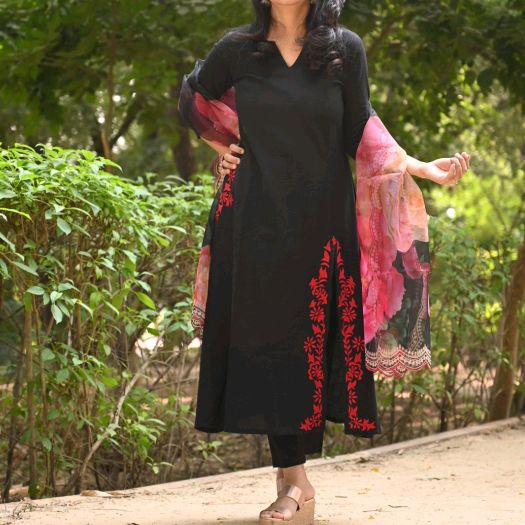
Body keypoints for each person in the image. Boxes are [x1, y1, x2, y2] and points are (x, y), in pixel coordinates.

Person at [177, 1, 470, 523]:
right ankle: (295, 483)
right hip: (253, 219)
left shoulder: (342, 49)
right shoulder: (239, 50)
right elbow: (194, 98)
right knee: (267, 344)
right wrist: (220, 145)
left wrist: (424, 167)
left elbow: (362, 128)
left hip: (322, 225)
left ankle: (293, 484)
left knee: (305, 343)